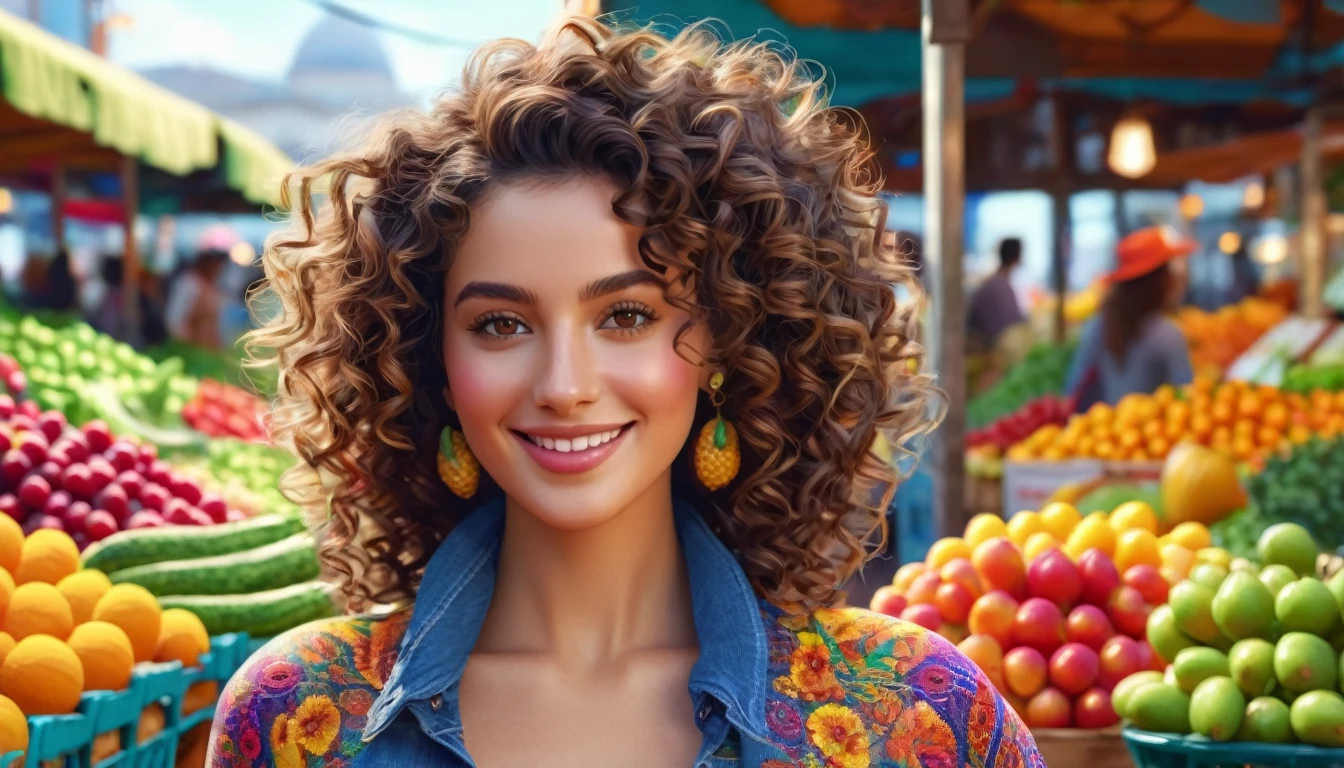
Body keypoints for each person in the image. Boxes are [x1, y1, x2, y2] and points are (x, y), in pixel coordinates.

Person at [209, 18, 1042, 768]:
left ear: (729, 338)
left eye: (628, 314)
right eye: (500, 325)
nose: (565, 386)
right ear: (428, 364)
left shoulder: (917, 712)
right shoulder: (297, 717)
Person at [1066, 226, 1195, 407]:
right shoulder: (1168, 336)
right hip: (1155, 433)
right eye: (1169, 270)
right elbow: (1187, 399)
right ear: (1159, 280)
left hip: (1106, 430)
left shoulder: (1098, 326)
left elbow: (1074, 392)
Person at [164, 248, 227, 349]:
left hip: (209, 348)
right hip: (191, 346)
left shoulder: (214, 284)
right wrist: (186, 342)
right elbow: (174, 320)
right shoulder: (188, 283)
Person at [967, 237, 1025, 347]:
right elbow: (1011, 326)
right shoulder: (999, 287)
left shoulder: (995, 282)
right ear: (1017, 257)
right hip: (988, 348)